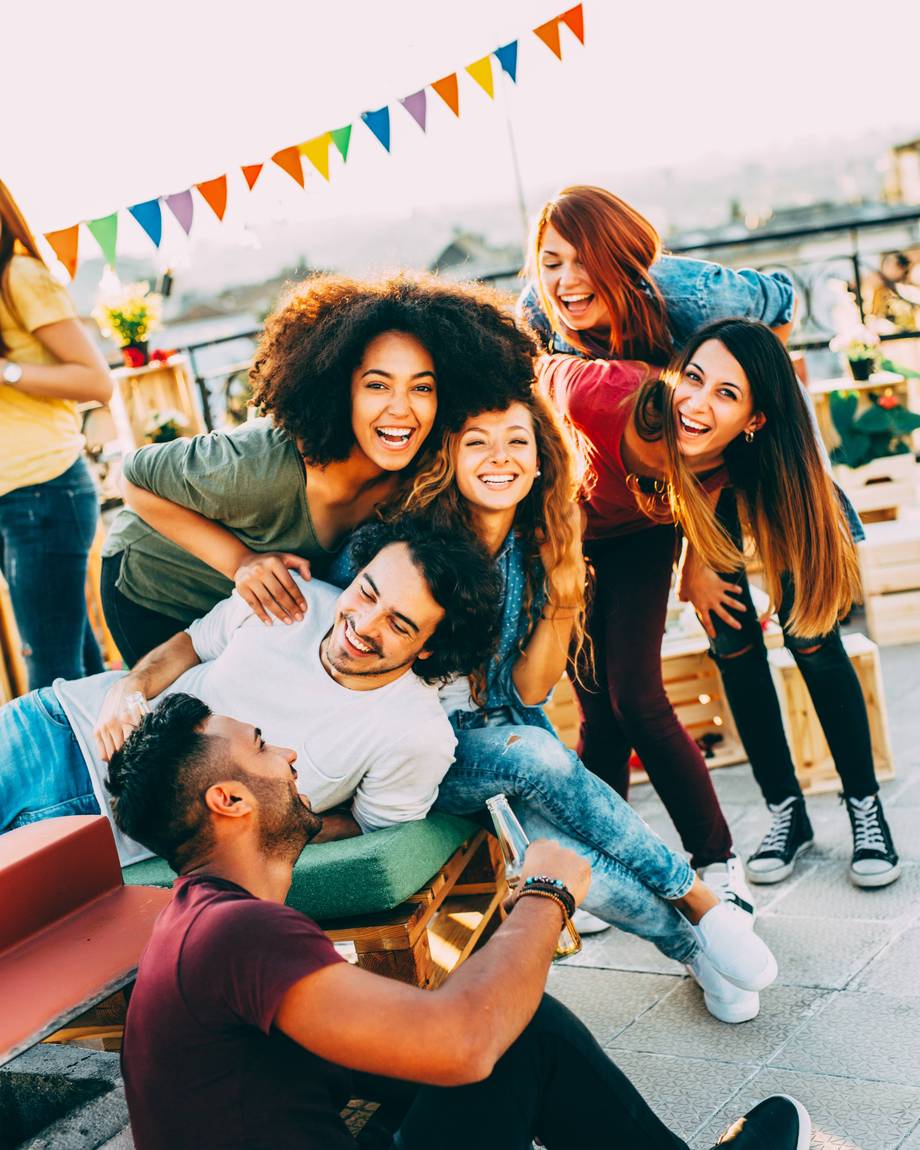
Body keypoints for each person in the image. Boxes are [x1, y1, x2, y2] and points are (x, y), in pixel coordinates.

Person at [108, 691, 812, 1150]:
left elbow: (395, 1049)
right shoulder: (236, 933)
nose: (289, 754)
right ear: (229, 799)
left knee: (498, 1025)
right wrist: (544, 895)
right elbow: (464, 1045)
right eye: (263, 745)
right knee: (513, 1037)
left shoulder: (202, 921)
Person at [392, 392, 777, 1023]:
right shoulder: (412, 539)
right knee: (537, 754)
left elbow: (529, 692)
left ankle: (694, 952)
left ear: (541, 458)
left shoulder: (531, 544)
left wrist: (564, 595)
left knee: (562, 847)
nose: (500, 457)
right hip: (421, 750)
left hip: (503, 728)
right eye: (477, 441)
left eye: (517, 441)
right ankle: (701, 904)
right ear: (449, 456)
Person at [518, 185, 801, 905]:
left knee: (638, 695)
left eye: (584, 261)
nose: (566, 280)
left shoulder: (681, 318)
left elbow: (731, 437)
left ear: (621, 261)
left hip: (647, 530)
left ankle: (714, 863)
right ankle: (601, 872)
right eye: (551, 262)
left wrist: (702, 559)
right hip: (574, 531)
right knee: (596, 715)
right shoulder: (541, 332)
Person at [0, 518, 501, 866]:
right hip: (56, 727)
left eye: (399, 624)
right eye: (367, 592)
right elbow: (191, 645)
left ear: (432, 648)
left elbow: (368, 829)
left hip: (114, 833)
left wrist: (261, 825)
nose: (362, 623)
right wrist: (131, 685)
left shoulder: (417, 736)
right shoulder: (293, 596)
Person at [101, 273, 535, 665]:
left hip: (252, 612)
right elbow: (134, 476)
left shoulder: (417, 470)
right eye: (377, 385)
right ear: (339, 388)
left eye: (421, 387)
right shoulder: (260, 465)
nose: (400, 409)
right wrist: (242, 562)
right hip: (153, 589)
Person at [643, 318, 900, 888]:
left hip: (781, 483)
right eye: (694, 378)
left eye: (727, 393)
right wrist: (696, 563)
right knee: (731, 645)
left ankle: (865, 806)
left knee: (813, 641)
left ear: (754, 416)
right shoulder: (659, 410)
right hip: (711, 502)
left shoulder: (778, 445)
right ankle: (787, 809)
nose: (698, 400)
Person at [0, 178, 113, 688]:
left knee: (52, 679)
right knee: (76, 672)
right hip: (15, 500)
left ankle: (74, 772)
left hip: (43, 494)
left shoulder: (18, 277)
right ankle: (114, 770)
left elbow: (97, 381)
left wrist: (6, 373)